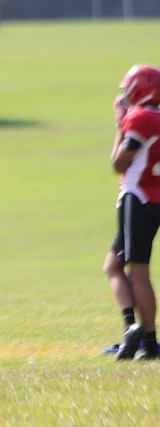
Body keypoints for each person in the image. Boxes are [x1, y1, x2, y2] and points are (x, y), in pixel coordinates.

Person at [107, 64, 160, 360]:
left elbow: (118, 163)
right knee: (112, 266)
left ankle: (149, 343)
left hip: (137, 197)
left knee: (138, 272)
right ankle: (132, 328)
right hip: (155, 197)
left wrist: (119, 122)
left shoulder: (139, 118)